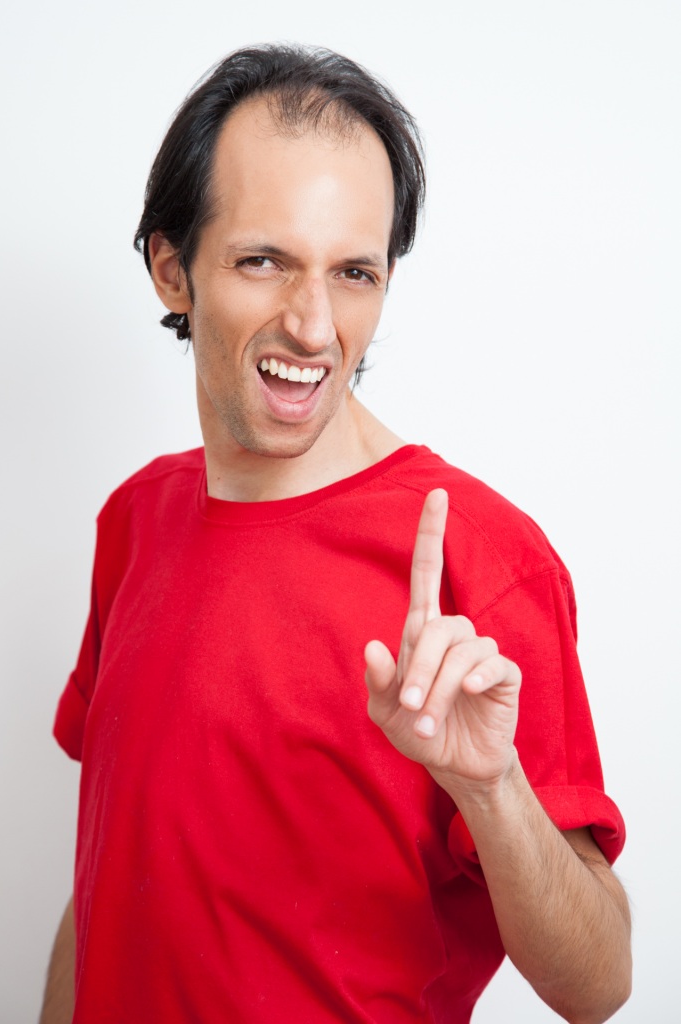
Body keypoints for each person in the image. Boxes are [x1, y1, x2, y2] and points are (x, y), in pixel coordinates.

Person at [41, 44, 632, 1024]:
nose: (315, 328)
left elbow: (599, 984)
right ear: (172, 269)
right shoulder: (134, 522)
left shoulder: (484, 561)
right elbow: (108, 880)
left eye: (354, 272)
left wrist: (491, 790)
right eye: (264, 260)